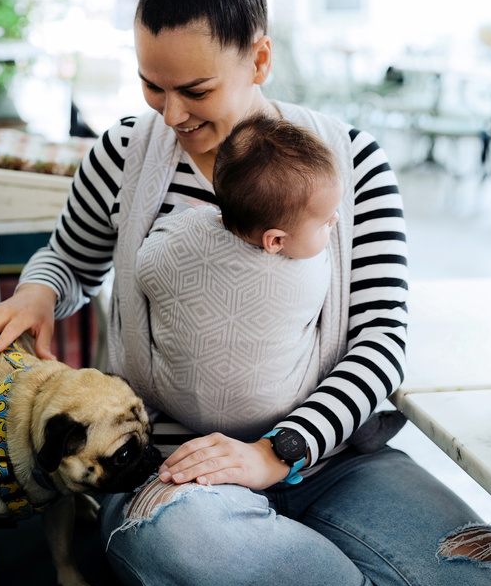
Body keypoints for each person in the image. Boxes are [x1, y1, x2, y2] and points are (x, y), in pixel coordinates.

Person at [0, 0, 491, 586]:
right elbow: (69, 261)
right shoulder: (123, 154)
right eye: (153, 88)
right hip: (169, 471)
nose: (172, 115)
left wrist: (276, 455)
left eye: (196, 91)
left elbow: (383, 338)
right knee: (179, 549)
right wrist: (41, 294)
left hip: (337, 463)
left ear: (258, 60)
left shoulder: (352, 162)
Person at [136, 112, 344, 436]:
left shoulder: (181, 237)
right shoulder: (310, 272)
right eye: (325, 221)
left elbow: (145, 266)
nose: (335, 221)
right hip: (281, 417)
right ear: (275, 241)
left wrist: (188, 217)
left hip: (176, 408)